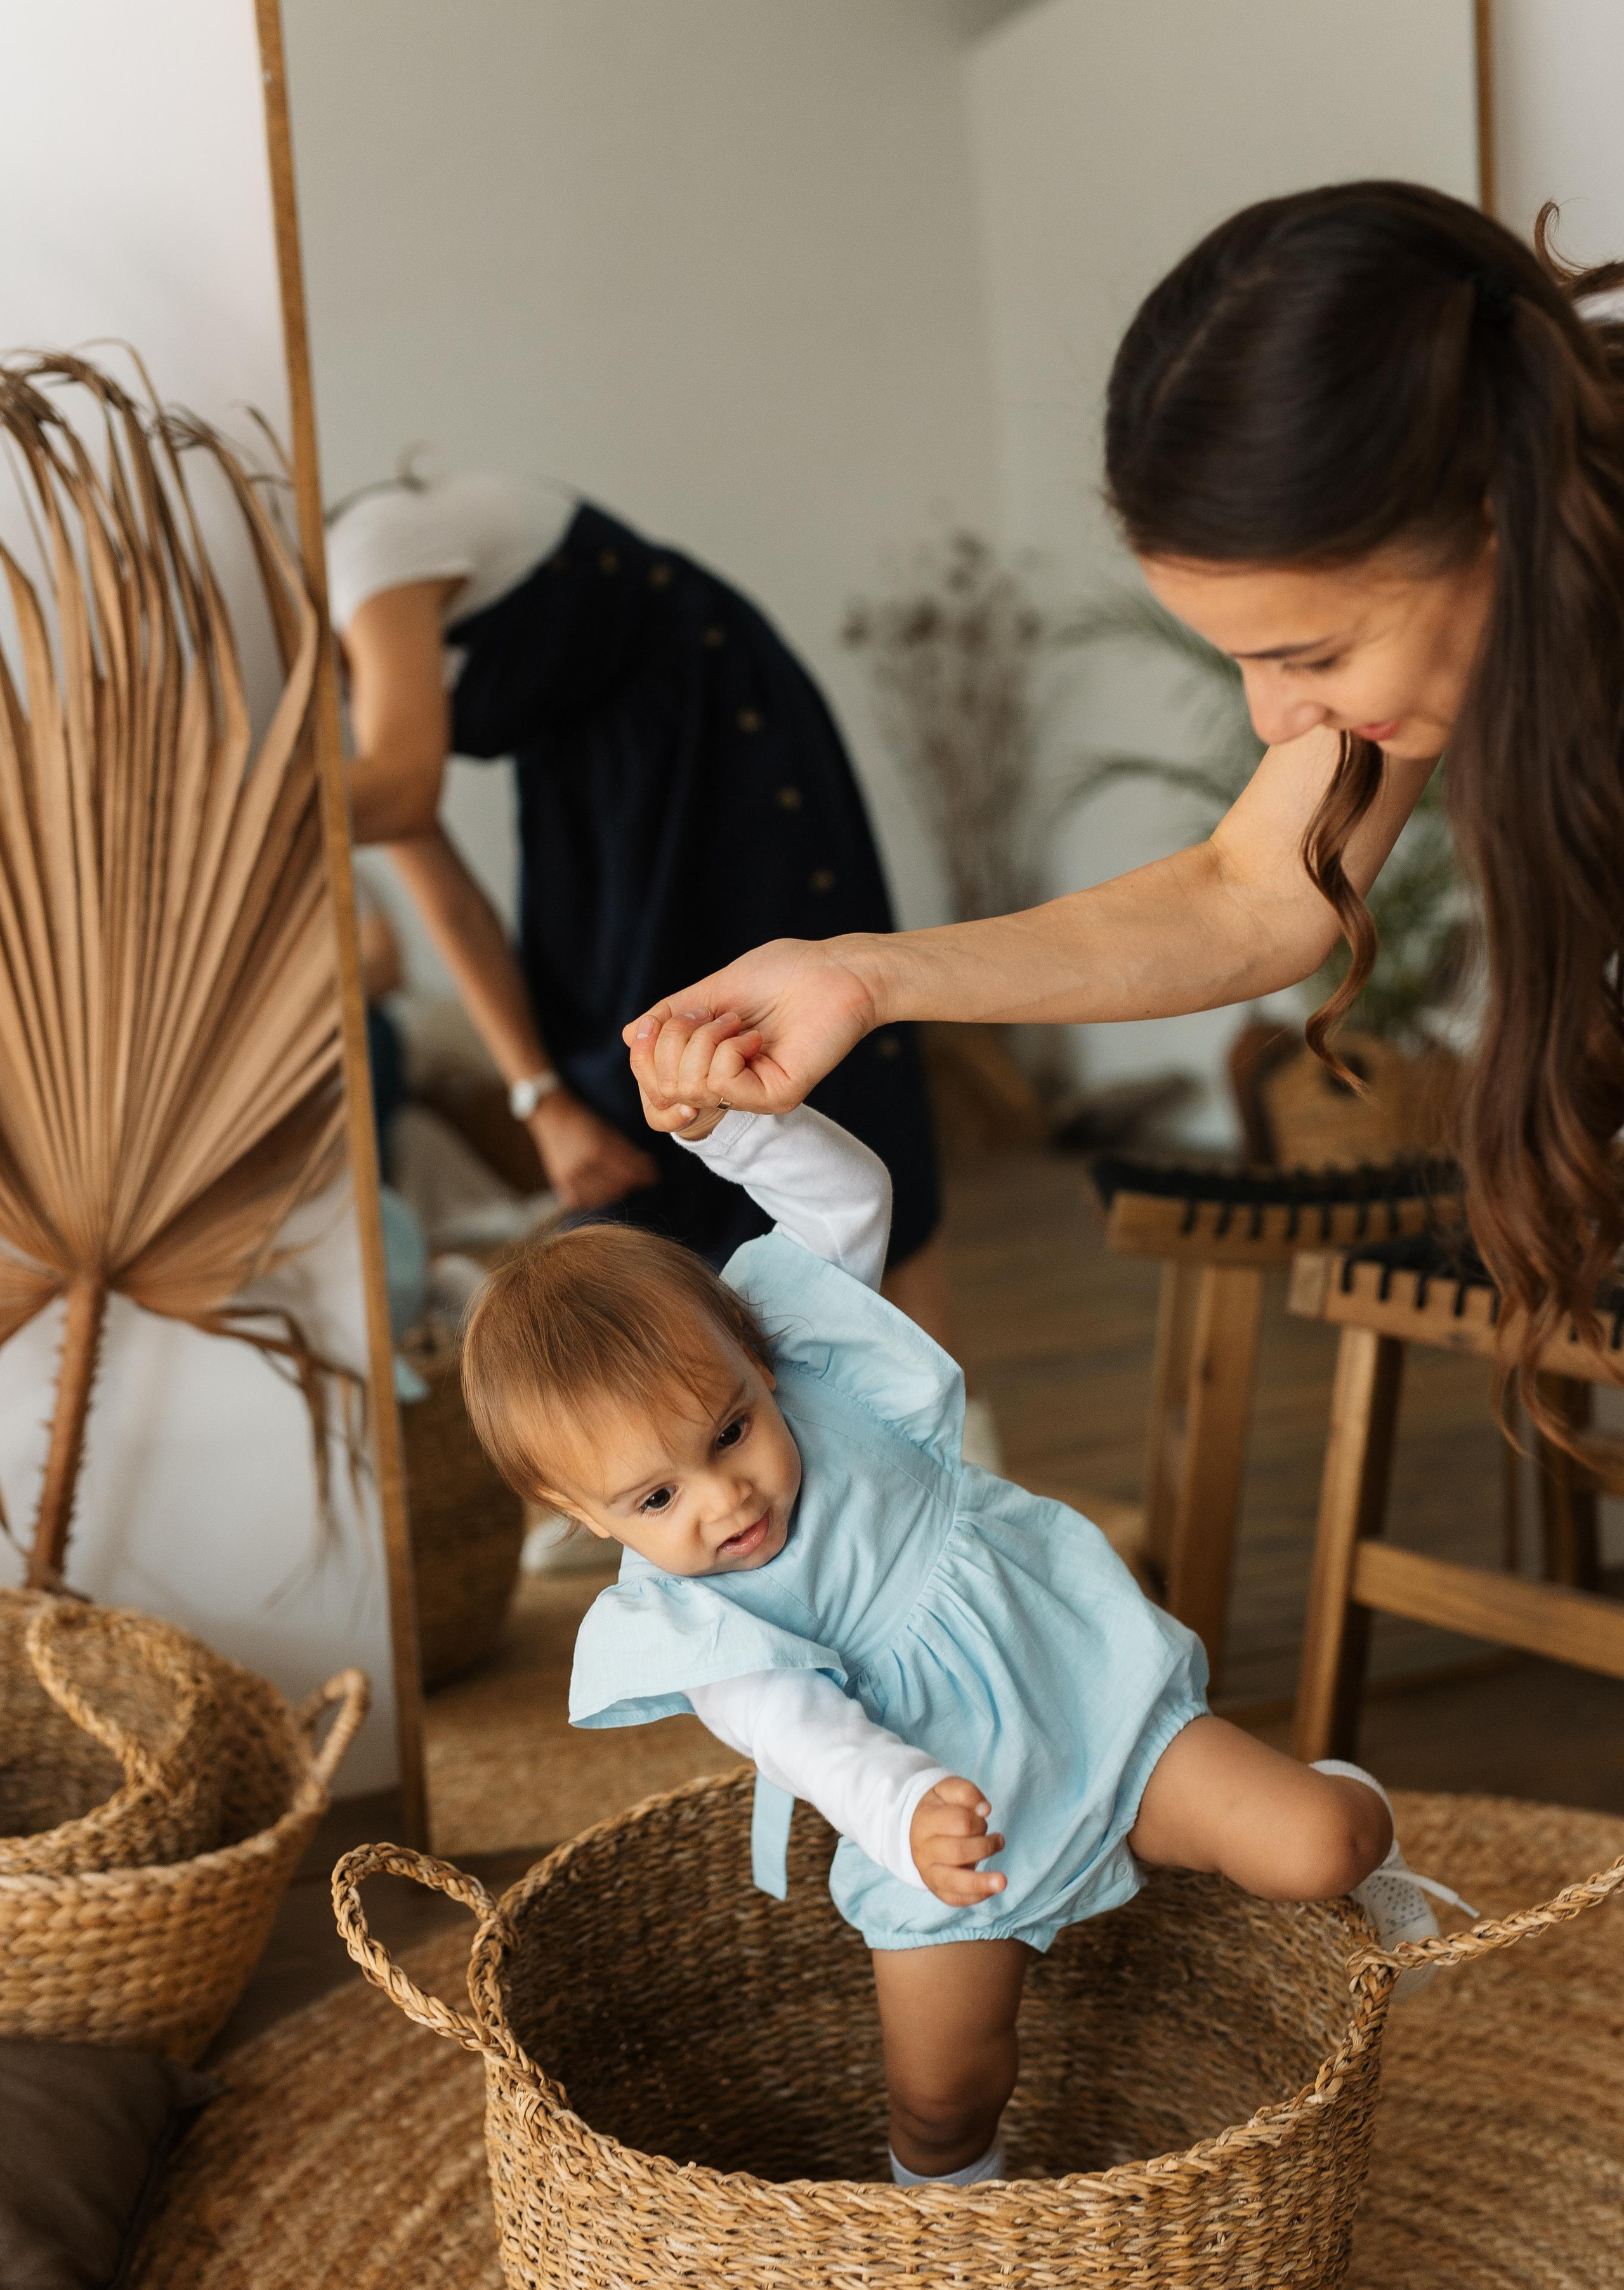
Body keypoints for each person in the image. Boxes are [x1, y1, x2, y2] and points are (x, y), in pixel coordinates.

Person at [629, 182, 1624, 1437]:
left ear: (1494, 520)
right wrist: (861, 977)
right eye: (1244, 663)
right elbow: (1250, 892)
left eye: (1310, 656)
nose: (1272, 722)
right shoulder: (1507, 569)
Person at [459, 1008, 1460, 2188]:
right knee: (943, 2094)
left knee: (1323, 1842)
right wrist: (912, 1811)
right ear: (584, 1518)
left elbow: (850, 1200)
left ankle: (1346, 1817)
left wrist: (736, 1128)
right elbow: (811, 1739)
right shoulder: (696, 1625)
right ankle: (948, 2227)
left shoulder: (813, 1359)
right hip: (943, 1819)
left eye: (732, 1430)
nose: (725, 1499)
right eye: (654, 1499)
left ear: (758, 1356)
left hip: (1082, 1691)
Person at [327, 469, 961, 1361]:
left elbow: (400, 786)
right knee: (631, 1079)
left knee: (809, 1065)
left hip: (712, 728)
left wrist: (188, 802)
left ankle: (942, 1437)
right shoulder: (319, 704)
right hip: (588, 803)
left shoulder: (369, 548)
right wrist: (540, 1102)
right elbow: (453, 909)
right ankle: (699, 1441)